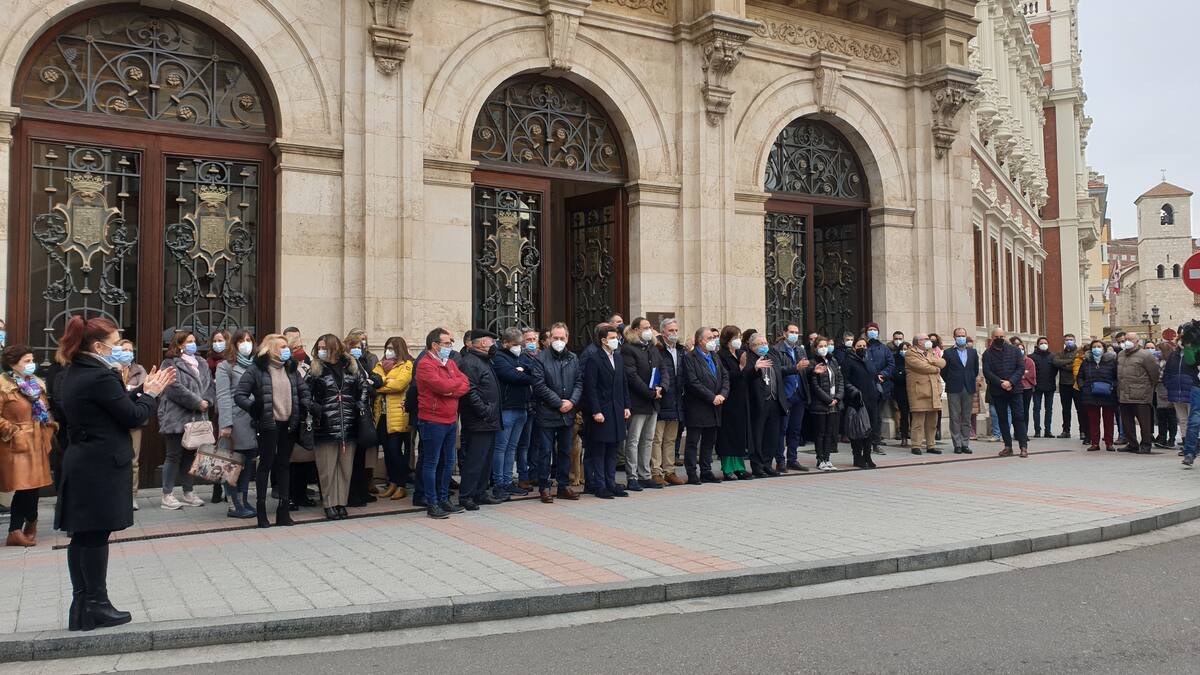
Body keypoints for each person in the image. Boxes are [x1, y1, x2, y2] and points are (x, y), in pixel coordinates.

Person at [54, 315, 175, 631]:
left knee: (81, 536)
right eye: (113, 344)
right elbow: (132, 417)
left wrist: (139, 389)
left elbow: (108, 406)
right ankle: (97, 604)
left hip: (80, 459)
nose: (117, 349)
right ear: (97, 346)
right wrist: (150, 395)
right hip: (102, 463)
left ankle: (81, 604)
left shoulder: (71, 373)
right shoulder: (101, 377)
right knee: (96, 536)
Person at [235, 333, 312, 527]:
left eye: (287, 346)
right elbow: (240, 395)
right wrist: (255, 408)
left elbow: (303, 391)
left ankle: (283, 511)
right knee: (265, 466)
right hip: (268, 425)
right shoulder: (256, 369)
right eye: (282, 346)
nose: (287, 350)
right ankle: (262, 512)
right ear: (270, 348)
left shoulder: (291, 369)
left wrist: (305, 404)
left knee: (284, 466)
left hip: (289, 424)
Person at [307, 334, 369, 520]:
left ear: (334, 347)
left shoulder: (351, 367)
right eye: (319, 347)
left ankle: (341, 502)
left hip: (349, 424)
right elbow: (305, 394)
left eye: (324, 346)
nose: (321, 350)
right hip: (325, 426)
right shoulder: (316, 369)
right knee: (327, 469)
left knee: (345, 468)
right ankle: (329, 503)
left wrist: (359, 404)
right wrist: (317, 409)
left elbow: (363, 387)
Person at [0, 345, 55, 546]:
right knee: (23, 486)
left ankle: (30, 522)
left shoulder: (36, 383)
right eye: (27, 361)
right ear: (13, 363)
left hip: (37, 440)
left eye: (32, 360)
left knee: (34, 487)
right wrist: (11, 430)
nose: (32, 365)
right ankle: (15, 529)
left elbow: (45, 410)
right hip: (16, 445)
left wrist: (49, 429)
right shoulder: (3, 385)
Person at [414, 328, 470, 518]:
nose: (450, 347)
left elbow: (465, 384)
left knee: (448, 462)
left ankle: (444, 499)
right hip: (432, 420)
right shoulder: (425, 364)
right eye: (447, 343)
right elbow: (442, 386)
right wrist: (451, 388)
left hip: (450, 419)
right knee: (431, 462)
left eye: (451, 343)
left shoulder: (451, 363)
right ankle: (432, 502)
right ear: (435, 345)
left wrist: (450, 390)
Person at [158, 331, 215, 510]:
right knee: (173, 456)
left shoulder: (202, 363)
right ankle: (167, 495)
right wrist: (197, 402)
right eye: (189, 341)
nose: (193, 344)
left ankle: (188, 492)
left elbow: (210, 387)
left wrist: (207, 401)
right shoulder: (169, 363)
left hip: (197, 418)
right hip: (176, 418)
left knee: (190, 457)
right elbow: (173, 387)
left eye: (194, 341)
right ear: (179, 344)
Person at [532, 322, 583, 502]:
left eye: (562, 338)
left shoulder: (573, 358)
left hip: (567, 414)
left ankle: (563, 485)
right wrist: (558, 403)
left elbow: (579, 382)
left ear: (567, 338)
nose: (559, 341)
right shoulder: (540, 358)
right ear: (549, 339)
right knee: (545, 451)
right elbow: (539, 385)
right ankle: (544, 487)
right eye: (555, 338)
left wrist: (572, 402)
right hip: (547, 412)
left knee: (565, 451)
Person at [582, 324, 631, 498]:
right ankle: (600, 485)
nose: (616, 340)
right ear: (603, 340)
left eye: (616, 337)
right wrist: (596, 411)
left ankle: (611, 483)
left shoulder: (618, 358)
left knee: (613, 449)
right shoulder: (594, 359)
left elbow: (623, 384)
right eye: (612, 337)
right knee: (600, 449)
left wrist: (626, 406)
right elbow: (591, 388)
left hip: (617, 410)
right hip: (602, 411)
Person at [458, 330, 504, 508]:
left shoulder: (484, 360)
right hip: (479, 420)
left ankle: (480, 492)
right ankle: (467, 495)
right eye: (492, 341)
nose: (494, 345)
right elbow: (470, 391)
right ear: (483, 343)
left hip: (489, 420)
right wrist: (484, 411)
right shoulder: (470, 362)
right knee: (475, 460)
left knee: (485, 460)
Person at [215, 329, 258, 520]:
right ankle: (233, 504)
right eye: (242, 340)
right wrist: (226, 424)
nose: (246, 343)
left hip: (252, 421)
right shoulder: (225, 366)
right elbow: (223, 396)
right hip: (234, 421)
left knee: (248, 463)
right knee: (231, 464)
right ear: (234, 344)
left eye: (249, 340)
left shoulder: (256, 364)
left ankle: (243, 499)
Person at [489, 327, 535, 498]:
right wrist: (524, 373)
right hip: (507, 408)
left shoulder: (521, 356)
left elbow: (534, 369)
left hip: (522, 407)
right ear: (506, 343)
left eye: (520, 344)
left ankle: (508, 482)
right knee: (501, 447)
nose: (519, 347)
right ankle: (499, 483)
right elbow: (512, 376)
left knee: (512, 448)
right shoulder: (499, 357)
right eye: (515, 344)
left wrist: (524, 372)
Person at [621, 317, 664, 490]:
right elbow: (632, 376)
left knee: (648, 439)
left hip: (654, 401)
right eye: (645, 327)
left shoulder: (653, 348)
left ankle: (645, 474)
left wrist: (662, 388)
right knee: (633, 440)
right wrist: (650, 393)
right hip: (639, 401)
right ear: (636, 330)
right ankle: (632, 476)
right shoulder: (628, 349)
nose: (649, 330)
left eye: (650, 327)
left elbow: (663, 370)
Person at [683, 327, 728, 484]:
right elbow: (692, 382)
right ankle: (691, 472)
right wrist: (712, 397)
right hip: (698, 406)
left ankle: (706, 471)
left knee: (709, 441)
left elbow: (724, 376)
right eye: (709, 338)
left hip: (715, 406)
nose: (713, 341)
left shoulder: (715, 356)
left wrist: (722, 394)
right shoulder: (690, 357)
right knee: (693, 442)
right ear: (700, 340)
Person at [373, 336, 414, 501]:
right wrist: (385, 382)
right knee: (388, 452)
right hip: (382, 416)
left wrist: (380, 384)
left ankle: (401, 485)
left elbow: (399, 385)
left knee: (396, 451)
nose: (388, 351)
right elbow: (371, 382)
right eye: (387, 348)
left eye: (392, 348)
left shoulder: (407, 365)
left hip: (399, 415)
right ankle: (392, 482)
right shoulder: (379, 364)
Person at [344, 333, 381, 507]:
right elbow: (359, 386)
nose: (358, 349)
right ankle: (353, 493)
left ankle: (361, 490)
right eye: (355, 346)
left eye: (360, 346)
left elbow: (373, 379)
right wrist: (369, 384)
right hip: (353, 414)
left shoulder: (360, 362)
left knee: (360, 458)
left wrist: (372, 381)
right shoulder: (346, 364)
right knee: (353, 458)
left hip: (363, 412)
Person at [983, 327, 1029, 458]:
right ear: (992, 338)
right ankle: (1008, 446)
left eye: (1001, 337)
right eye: (996, 337)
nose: (999, 339)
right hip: (998, 390)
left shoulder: (1014, 351)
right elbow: (987, 372)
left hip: (1015, 389)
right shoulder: (987, 354)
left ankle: (1023, 446)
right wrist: (1001, 383)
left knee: (1019, 417)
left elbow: (1020, 368)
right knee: (1002, 419)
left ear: (1005, 337)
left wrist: (1011, 382)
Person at [716, 325, 754, 481]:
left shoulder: (740, 353)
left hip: (741, 399)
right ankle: (728, 468)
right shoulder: (721, 355)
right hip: (728, 400)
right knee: (728, 436)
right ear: (727, 340)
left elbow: (746, 375)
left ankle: (739, 467)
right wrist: (740, 368)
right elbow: (726, 376)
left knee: (739, 436)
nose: (738, 340)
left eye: (739, 337)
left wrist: (753, 369)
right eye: (734, 338)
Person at [652, 317, 686, 485]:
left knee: (671, 439)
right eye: (670, 330)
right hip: (661, 398)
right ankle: (656, 471)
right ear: (663, 331)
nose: (674, 334)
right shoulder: (657, 349)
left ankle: (669, 470)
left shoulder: (680, 350)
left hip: (676, 399)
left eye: (676, 331)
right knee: (657, 438)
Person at [114, 339, 147, 510]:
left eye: (130, 349)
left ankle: (132, 495)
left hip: (134, 419)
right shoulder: (110, 369)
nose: (127, 352)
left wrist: (129, 391)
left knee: (134, 460)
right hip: (115, 421)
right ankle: (116, 494)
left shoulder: (138, 369)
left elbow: (143, 391)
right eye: (123, 349)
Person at [1115, 331, 1159, 454]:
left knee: (1144, 422)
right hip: (1124, 393)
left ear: (1137, 341)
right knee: (1127, 422)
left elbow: (1154, 374)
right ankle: (1132, 444)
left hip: (1141, 394)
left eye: (1130, 339)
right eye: (1125, 340)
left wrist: (1148, 389)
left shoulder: (1145, 355)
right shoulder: (1121, 355)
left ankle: (1146, 444)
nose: (1126, 342)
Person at [774, 323, 810, 473]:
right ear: (785, 333)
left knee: (795, 429)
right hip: (785, 395)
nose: (795, 334)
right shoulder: (776, 350)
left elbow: (805, 369)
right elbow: (776, 370)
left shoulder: (800, 349)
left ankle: (792, 459)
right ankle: (780, 461)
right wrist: (795, 367)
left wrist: (814, 370)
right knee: (782, 429)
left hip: (799, 394)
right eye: (791, 332)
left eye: (797, 332)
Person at [838, 337, 878, 469]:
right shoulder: (848, 361)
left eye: (864, 346)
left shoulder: (868, 359)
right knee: (858, 429)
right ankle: (857, 456)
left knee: (869, 428)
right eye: (859, 346)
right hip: (856, 400)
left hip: (871, 399)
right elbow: (844, 379)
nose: (862, 348)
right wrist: (854, 391)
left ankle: (868, 455)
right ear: (854, 348)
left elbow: (873, 375)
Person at [807, 336, 845, 471]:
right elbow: (815, 386)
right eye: (820, 346)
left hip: (834, 403)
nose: (824, 348)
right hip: (820, 404)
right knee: (820, 432)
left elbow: (840, 380)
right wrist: (828, 400)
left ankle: (827, 458)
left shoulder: (832, 361)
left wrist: (837, 398)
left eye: (825, 345)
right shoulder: (813, 363)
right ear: (816, 348)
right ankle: (820, 459)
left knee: (829, 433)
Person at [905, 333, 946, 455]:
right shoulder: (910, 353)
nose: (929, 341)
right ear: (918, 342)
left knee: (932, 421)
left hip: (933, 391)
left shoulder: (930, 352)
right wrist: (935, 367)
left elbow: (943, 362)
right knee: (918, 421)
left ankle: (931, 445)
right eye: (926, 339)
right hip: (919, 392)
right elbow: (922, 367)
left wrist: (931, 360)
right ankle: (916, 445)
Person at [941, 328, 979, 455]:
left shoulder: (973, 352)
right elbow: (944, 371)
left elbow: (974, 370)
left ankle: (965, 443)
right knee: (955, 417)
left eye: (963, 335)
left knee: (967, 417)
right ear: (954, 337)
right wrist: (951, 381)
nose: (961, 338)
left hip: (968, 387)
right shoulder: (948, 353)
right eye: (959, 336)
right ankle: (957, 444)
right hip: (954, 388)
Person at [1077, 339, 1118, 452]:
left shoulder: (1111, 361)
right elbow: (1080, 376)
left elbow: (1116, 377)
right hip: (1091, 394)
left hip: (1108, 394)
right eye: (1094, 347)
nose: (1096, 349)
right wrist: (1083, 387)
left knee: (1108, 420)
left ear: (1103, 349)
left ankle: (1109, 443)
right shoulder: (1086, 362)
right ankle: (1095, 443)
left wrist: (1112, 386)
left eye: (1099, 346)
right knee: (1093, 420)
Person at [515, 326, 542, 489]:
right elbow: (528, 374)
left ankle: (535, 473)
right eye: (528, 340)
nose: (532, 342)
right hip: (527, 404)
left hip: (540, 405)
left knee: (536, 442)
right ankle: (523, 475)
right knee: (524, 443)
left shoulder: (542, 355)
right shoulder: (521, 357)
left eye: (534, 339)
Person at [862, 322, 894, 454]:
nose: (873, 332)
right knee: (865, 416)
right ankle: (864, 442)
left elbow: (891, 364)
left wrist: (883, 374)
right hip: (865, 386)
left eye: (875, 330)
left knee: (877, 416)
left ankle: (876, 442)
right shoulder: (862, 347)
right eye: (870, 330)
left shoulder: (884, 348)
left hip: (881, 386)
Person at [1164, 342, 1195, 453]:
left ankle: (1195, 444)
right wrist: (1168, 384)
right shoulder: (1173, 355)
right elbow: (1167, 372)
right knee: (1182, 420)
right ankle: (1187, 445)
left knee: (1194, 420)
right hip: (1176, 392)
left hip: (1192, 391)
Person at [1053, 334, 1081, 439]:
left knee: (1080, 408)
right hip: (1064, 384)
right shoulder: (1060, 353)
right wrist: (1070, 362)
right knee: (1065, 409)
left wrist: (1063, 365)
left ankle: (1082, 430)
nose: (1069, 341)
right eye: (1067, 340)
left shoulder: (1079, 352)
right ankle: (1065, 430)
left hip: (1076, 384)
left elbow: (1076, 365)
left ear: (1075, 340)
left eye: (1071, 340)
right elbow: (1056, 362)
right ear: (1064, 342)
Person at [1029, 336, 1057, 437]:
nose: (1043, 345)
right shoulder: (1031, 357)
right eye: (1041, 343)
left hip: (1050, 386)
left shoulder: (1053, 356)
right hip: (1036, 387)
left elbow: (1055, 370)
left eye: (1045, 343)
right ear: (1037, 345)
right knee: (1036, 408)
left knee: (1049, 409)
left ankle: (1048, 430)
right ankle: (1037, 430)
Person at [1012, 337, 1036, 431]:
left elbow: (1031, 374)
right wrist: (1022, 374)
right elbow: (1012, 374)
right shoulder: (1012, 361)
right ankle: (1017, 431)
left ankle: (1024, 431)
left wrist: (1022, 375)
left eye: (1022, 349)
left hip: (1027, 389)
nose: (1021, 351)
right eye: (1019, 349)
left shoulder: (1029, 361)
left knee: (1025, 410)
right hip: (1016, 388)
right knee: (1016, 411)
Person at [893, 341, 911, 446]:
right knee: (903, 415)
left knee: (914, 416)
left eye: (907, 349)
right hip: (901, 391)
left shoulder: (913, 360)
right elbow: (895, 375)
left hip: (914, 391)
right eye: (903, 349)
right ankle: (904, 436)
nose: (904, 351)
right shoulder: (896, 359)